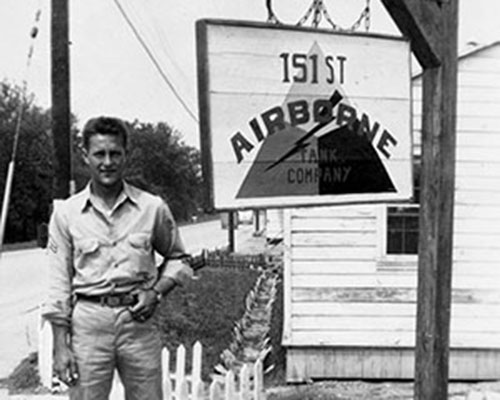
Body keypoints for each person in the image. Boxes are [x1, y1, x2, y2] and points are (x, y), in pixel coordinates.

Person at [42, 116, 193, 400]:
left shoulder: (152, 207)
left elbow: (179, 258)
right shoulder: (66, 214)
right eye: (99, 154)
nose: (107, 162)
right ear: (86, 156)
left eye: (115, 153)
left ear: (126, 156)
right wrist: (61, 346)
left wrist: (156, 293)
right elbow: (58, 284)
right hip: (88, 324)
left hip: (138, 323)